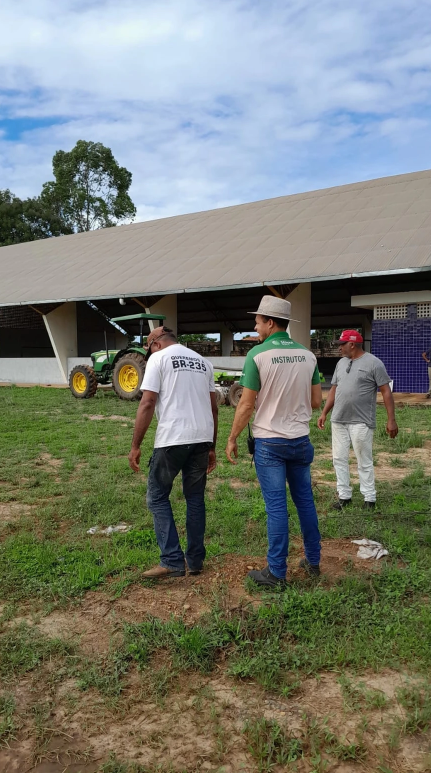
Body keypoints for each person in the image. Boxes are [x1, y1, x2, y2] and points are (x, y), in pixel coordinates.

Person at [225, 296, 323, 588]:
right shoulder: (308, 356)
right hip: (300, 440)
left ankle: (277, 573)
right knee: (305, 502)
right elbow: (316, 401)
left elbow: (246, 405)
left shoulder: (257, 355)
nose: (255, 327)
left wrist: (232, 438)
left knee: (277, 507)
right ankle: (313, 561)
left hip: (270, 443)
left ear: (270, 322)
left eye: (257, 322)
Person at [128, 326, 218, 579]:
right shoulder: (203, 362)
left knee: (157, 497)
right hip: (201, 438)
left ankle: (171, 560)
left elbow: (147, 402)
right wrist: (212, 446)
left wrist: (135, 446)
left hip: (173, 438)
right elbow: (214, 408)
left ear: (155, 344)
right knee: (195, 499)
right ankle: (196, 561)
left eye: (148, 348)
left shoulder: (158, 359)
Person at [317, 330, 398, 510]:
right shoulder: (341, 363)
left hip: (361, 421)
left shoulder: (374, 363)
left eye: (342, 344)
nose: (339, 348)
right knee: (339, 458)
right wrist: (324, 413)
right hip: (338, 419)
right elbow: (334, 389)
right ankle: (344, 496)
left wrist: (391, 419)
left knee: (364, 459)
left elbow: (386, 391)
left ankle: (369, 498)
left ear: (352, 344)